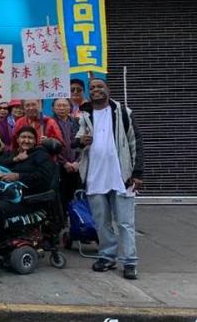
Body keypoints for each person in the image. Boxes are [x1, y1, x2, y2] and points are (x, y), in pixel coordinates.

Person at [0, 126, 57, 272]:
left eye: (30, 138)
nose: (26, 140)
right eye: (23, 137)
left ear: (35, 140)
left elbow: (45, 179)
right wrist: (15, 159)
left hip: (28, 199)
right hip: (3, 194)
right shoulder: (12, 153)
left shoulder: (41, 155)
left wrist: (18, 176)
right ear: (18, 139)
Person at [76, 78, 144, 280]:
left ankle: (130, 261)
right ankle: (107, 256)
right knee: (101, 222)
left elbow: (135, 142)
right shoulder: (85, 114)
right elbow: (76, 140)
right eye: (93, 88)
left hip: (121, 176)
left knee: (125, 223)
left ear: (108, 90)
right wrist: (81, 141)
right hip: (95, 177)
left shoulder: (123, 113)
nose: (96, 90)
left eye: (100, 87)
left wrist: (137, 173)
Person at [52, 98, 81, 209]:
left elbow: (83, 143)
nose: (62, 108)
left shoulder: (77, 122)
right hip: (58, 165)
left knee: (76, 195)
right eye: (58, 106)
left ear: (70, 107)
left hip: (76, 165)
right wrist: (64, 163)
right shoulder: (50, 122)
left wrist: (78, 162)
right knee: (61, 195)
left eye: (65, 105)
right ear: (53, 108)